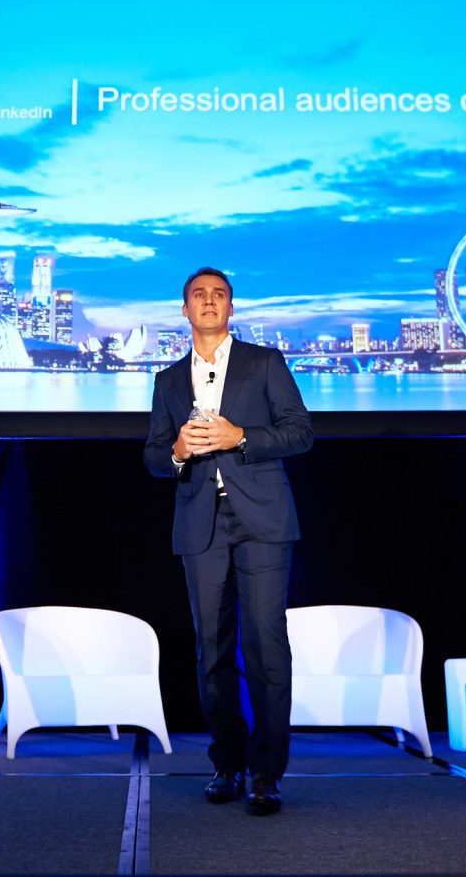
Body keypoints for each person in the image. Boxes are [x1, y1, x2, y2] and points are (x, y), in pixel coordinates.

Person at [144, 266, 312, 815]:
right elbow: (152, 456)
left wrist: (242, 438)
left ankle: (267, 773)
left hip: (261, 519)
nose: (210, 302)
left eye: (219, 295)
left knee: (265, 646)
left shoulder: (264, 363)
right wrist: (178, 452)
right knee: (211, 650)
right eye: (199, 295)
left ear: (231, 309)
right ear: (185, 310)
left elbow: (300, 432)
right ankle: (227, 763)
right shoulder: (168, 381)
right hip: (201, 522)